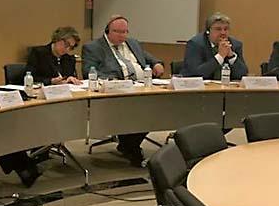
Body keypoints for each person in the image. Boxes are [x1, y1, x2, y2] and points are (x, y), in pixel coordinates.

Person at [82, 15, 164, 166]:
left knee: (157, 111)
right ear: (107, 31)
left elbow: (148, 57)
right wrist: (114, 81)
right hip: (117, 93)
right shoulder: (94, 47)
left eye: (125, 32)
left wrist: (157, 63)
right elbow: (89, 71)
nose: (122, 35)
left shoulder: (132, 43)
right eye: (118, 32)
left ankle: (128, 145)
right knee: (141, 112)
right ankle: (130, 147)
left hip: (142, 88)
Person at [183, 12, 249, 81]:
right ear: (208, 31)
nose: (223, 33)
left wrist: (231, 56)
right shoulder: (195, 44)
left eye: (226, 29)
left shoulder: (235, 45)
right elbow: (196, 74)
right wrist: (220, 57)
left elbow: (243, 74)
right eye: (218, 29)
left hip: (225, 86)